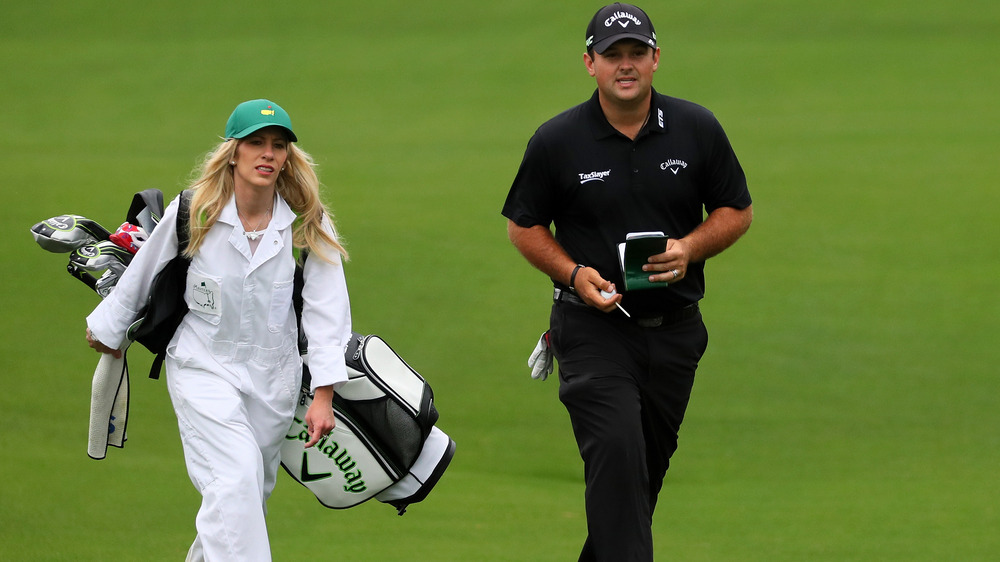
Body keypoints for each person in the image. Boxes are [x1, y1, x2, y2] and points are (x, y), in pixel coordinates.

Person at [501, 4, 753, 560]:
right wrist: (571, 272)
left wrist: (689, 247)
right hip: (593, 329)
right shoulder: (558, 139)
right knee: (616, 455)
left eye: (636, 52)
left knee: (636, 486)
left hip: (675, 334)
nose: (626, 64)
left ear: (656, 59)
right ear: (589, 63)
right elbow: (524, 225)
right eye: (612, 55)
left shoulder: (697, 128)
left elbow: (736, 209)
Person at [85, 99, 353, 561]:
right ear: (233, 152)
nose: (268, 154)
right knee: (233, 481)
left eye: (277, 145)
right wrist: (108, 330)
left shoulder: (306, 222)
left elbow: (328, 310)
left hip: (274, 381)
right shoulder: (194, 209)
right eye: (255, 143)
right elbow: (143, 274)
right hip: (202, 364)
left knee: (243, 498)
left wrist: (324, 392)